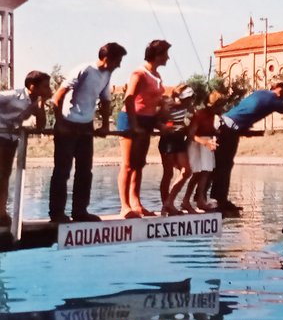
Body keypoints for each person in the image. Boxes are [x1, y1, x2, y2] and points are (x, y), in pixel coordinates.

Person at [210, 82, 283, 217]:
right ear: (279, 90)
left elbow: (247, 111)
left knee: (220, 164)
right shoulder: (274, 100)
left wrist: (250, 133)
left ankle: (216, 199)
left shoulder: (259, 93)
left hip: (224, 123)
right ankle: (217, 200)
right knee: (223, 165)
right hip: (229, 129)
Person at [50, 43, 126, 223]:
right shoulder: (84, 70)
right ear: (107, 58)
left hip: (86, 126)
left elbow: (106, 100)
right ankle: (56, 213)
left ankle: (79, 211)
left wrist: (105, 125)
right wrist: (59, 122)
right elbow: (58, 96)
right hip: (68, 124)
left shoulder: (107, 75)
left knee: (85, 171)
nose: (119, 65)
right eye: (118, 61)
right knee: (62, 171)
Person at [116, 39, 170, 219]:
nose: (168, 58)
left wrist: (160, 119)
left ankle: (136, 203)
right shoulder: (139, 74)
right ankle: (124, 206)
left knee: (139, 164)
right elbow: (129, 99)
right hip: (131, 120)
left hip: (147, 121)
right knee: (128, 164)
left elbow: (152, 102)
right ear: (157, 55)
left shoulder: (157, 76)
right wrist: (135, 125)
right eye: (165, 54)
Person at [0, 71, 52, 226]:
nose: (48, 89)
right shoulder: (13, 95)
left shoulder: (34, 102)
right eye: (45, 86)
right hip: (0, 134)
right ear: (32, 86)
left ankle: (2, 214)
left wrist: (42, 103)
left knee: (4, 176)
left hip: (11, 139)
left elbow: (41, 125)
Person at [182, 90, 225, 214]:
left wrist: (215, 134)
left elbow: (210, 130)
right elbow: (191, 135)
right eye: (221, 105)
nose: (222, 108)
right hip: (197, 144)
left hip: (207, 143)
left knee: (205, 172)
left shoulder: (213, 116)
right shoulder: (200, 114)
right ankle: (187, 200)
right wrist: (205, 142)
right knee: (197, 174)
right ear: (214, 105)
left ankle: (200, 199)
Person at [158, 84, 195, 216]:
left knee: (186, 171)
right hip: (168, 140)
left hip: (179, 140)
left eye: (190, 98)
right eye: (187, 98)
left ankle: (169, 202)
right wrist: (169, 125)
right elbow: (160, 121)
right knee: (168, 174)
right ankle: (166, 205)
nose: (190, 100)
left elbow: (188, 122)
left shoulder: (188, 107)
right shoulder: (168, 105)